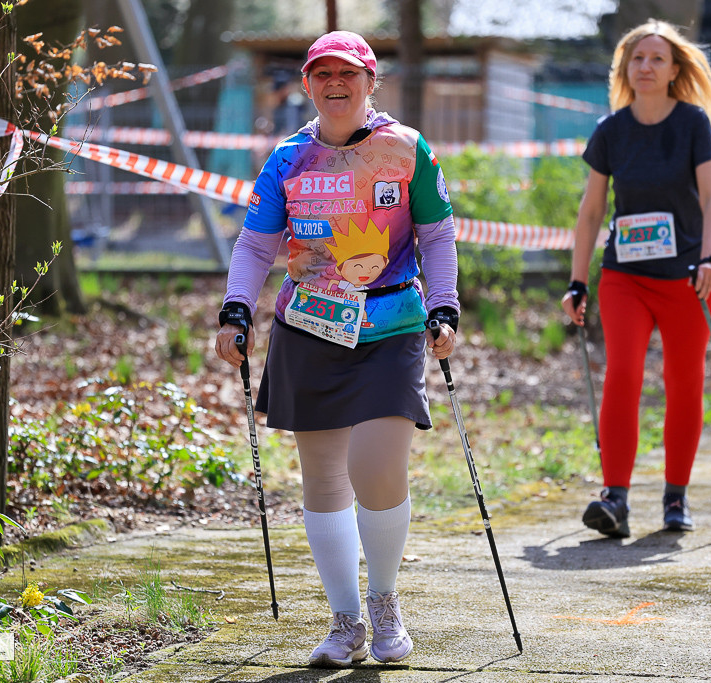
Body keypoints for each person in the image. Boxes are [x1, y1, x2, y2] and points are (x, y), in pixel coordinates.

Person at [215, 30, 459, 667]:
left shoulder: (404, 151)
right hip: (310, 326)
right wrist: (236, 308)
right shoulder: (288, 160)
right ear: (307, 85)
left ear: (371, 82)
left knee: (377, 467)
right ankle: (345, 621)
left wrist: (444, 304)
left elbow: (436, 234)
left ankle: (385, 605)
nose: (336, 84)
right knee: (323, 479)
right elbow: (255, 245)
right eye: (323, 74)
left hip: (390, 323)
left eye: (348, 73)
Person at [561, 20, 711, 538]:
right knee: (624, 375)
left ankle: (675, 497)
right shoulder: (611, 130)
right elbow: (591, 212)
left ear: (675, 69)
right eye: (637, 59)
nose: (646, 66)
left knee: (684, 385)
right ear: (625, 70)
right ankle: (615, 499)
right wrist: (577, 281)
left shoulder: (693, 123)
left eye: (657, 58)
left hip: (688, 279)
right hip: (624, 278)